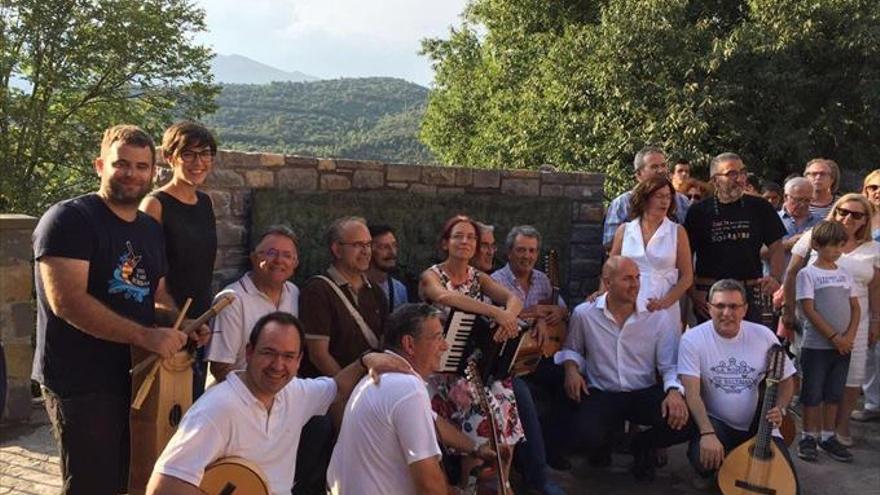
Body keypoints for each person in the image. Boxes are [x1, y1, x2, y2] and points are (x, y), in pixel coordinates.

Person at [31, 125, 208, 494]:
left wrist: (180, 323)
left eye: (142, 166)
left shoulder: (147, 228)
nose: (132, 174)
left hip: (135, 376)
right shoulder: (69, 220)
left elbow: (154, 293)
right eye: (121, 164)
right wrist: (147, 335)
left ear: (152, 171)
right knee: (92, 485)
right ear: (100, 165)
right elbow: (68, 301)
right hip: (80, 380)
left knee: (132, 479)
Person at [147, 312, 409, 495]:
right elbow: (163, 487)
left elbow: (337, 388)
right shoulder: (217, 408)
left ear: (299, 360)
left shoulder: (294, 393)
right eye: (268, 353)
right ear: (249, 352)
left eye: (288, 356)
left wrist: (366, 360)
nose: (278, 365)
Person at [558, 257, 692, 482]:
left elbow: (669, 365)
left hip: (643, 391)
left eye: (637, 277)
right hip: (603, 392)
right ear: (607, 283)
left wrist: (674, 391)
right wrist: (571, 369)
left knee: (686, 423)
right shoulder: (585, 314)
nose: (636, 284)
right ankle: (606, 442)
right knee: (583, 434)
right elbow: (572, 349)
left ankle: (642, 445)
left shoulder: (656, 316)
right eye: (628, 278)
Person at [419, 215, 524, 489]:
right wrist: (495, 313)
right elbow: (445, 298)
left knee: (503, 393)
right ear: (445, 243)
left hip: (472, 364)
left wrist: (508, 319)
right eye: (458, 236)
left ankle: (502, 481)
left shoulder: (478, 277)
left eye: (471, 237)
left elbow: (514, 300)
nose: (465, 242)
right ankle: (468, 485)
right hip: (441, 367)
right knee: (475, 402)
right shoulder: (431, 275)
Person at [678, 279, 797, 484]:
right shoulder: (693, 340)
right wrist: (707, 433)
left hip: (762, 427)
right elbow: (692, 393)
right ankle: (724, 471)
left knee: (786, 486)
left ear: (745, 309)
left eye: (734, 306)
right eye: (720, 306)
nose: (727, 313)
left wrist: (782, 408)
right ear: (709, 307)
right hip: (719, 424)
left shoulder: (764, 336)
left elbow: (787, 380)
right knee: (703, 459)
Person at [784, 193, 880, 446]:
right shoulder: (815, 235)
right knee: (814, 378)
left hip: (855, 324)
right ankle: (811, 432)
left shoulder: (873, 248)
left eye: (856, 214)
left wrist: (873, 323)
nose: (848, 217)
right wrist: (787, 310)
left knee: (851, 376)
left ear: (865, 220)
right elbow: (792, 273)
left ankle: (839, 427)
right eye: (842, 211)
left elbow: (875, 289)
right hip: (814, 322)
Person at [327, 304, 449, 495]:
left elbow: (434, 421)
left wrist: (475, 448)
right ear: (409, 344)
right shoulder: (407, 387)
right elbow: (429, 485)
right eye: (438, 337)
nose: (445, 346)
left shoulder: (382, 379)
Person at [139, 121, 218, 399]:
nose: (199, 162)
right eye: (188, 154)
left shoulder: (205, 202)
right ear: (170, 157)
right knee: (166, 416)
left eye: (205, 153)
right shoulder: (154, 205)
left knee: (193, 405)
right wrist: (177, 320)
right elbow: (148, 279)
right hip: (167, 326)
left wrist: (200, 322)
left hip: (201, 326)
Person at [490, 225, 569, 493]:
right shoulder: (496, 282)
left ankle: (556, 448)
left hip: (535, 356)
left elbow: (557, 309)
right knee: (523, 400)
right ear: (509, 252)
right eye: (521, 250)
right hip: (509, 363)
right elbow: (496, 323)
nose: (527, 256)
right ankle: (538, 478)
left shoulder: (543, 280)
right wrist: (532, 316)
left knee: (568, 380)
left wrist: (557, 313)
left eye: (532, 251)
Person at [684, 152, 786, 324]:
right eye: (731, 173)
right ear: (715, 179)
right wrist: (693, 292)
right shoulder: (698, 211)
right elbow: (686, 254)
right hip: (710, 292)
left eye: (742, 172)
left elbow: (777, 245)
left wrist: (775, 277)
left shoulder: (759, 206)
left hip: (750, 292)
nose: (739, 178)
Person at [794, 221, 859, 462]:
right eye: (830, 246)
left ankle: (828, 436)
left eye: (840, 246)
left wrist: (849, 336)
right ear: (817, 245)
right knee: (813, 391)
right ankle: (808, 435)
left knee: (834, 392)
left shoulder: (844, 274)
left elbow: (855, 307)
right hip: (817, 345)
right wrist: (834, 337)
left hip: (843, 346)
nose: (836, 251)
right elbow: (809, 310)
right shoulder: (808, 274)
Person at [205, 225, 300, 386]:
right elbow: (221, 368)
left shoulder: (294, 293)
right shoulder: (231, 300)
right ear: (254, 257)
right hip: (236, 398)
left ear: (295, 263)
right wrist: (263, 394)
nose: (278, 260)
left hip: (279, 398)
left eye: (287, 255)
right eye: (271, 253)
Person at [300, 216, 388, 377]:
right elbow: (318, 355)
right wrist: (347, 389)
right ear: (337, 250)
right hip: (333, 393)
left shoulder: (376, 292)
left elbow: (382, 345)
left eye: (368, 244)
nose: (366, 251)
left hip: (368, 388)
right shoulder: (317, 290)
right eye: (357, 245)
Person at [608, 177, 693, 330]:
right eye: (659, 196)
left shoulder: (677, 231)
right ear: (645, 199)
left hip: (664, 307)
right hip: (628, 304)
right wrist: (602, 294)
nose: (665, 202)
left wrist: (665, 302)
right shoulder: (625, 230)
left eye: (668, 197)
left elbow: (687, 277)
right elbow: (610, 269)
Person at [603, 146, 690, 249]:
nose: (661, 171)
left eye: (663, 165)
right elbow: (610, 243)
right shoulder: (623, 203)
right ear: (639, 174)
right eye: (654, 167)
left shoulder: (682, 201)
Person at [852, 170, 880, 422]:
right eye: (873, 188)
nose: (878, 192)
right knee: (872, 350)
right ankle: (873, 403)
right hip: (865, 292)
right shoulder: (858, 219)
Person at [367, 224, 409, 312]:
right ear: (369, 250)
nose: (392, 252)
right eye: (384, 247)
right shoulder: (356, 287)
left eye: (394, 245)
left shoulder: (399, 289)